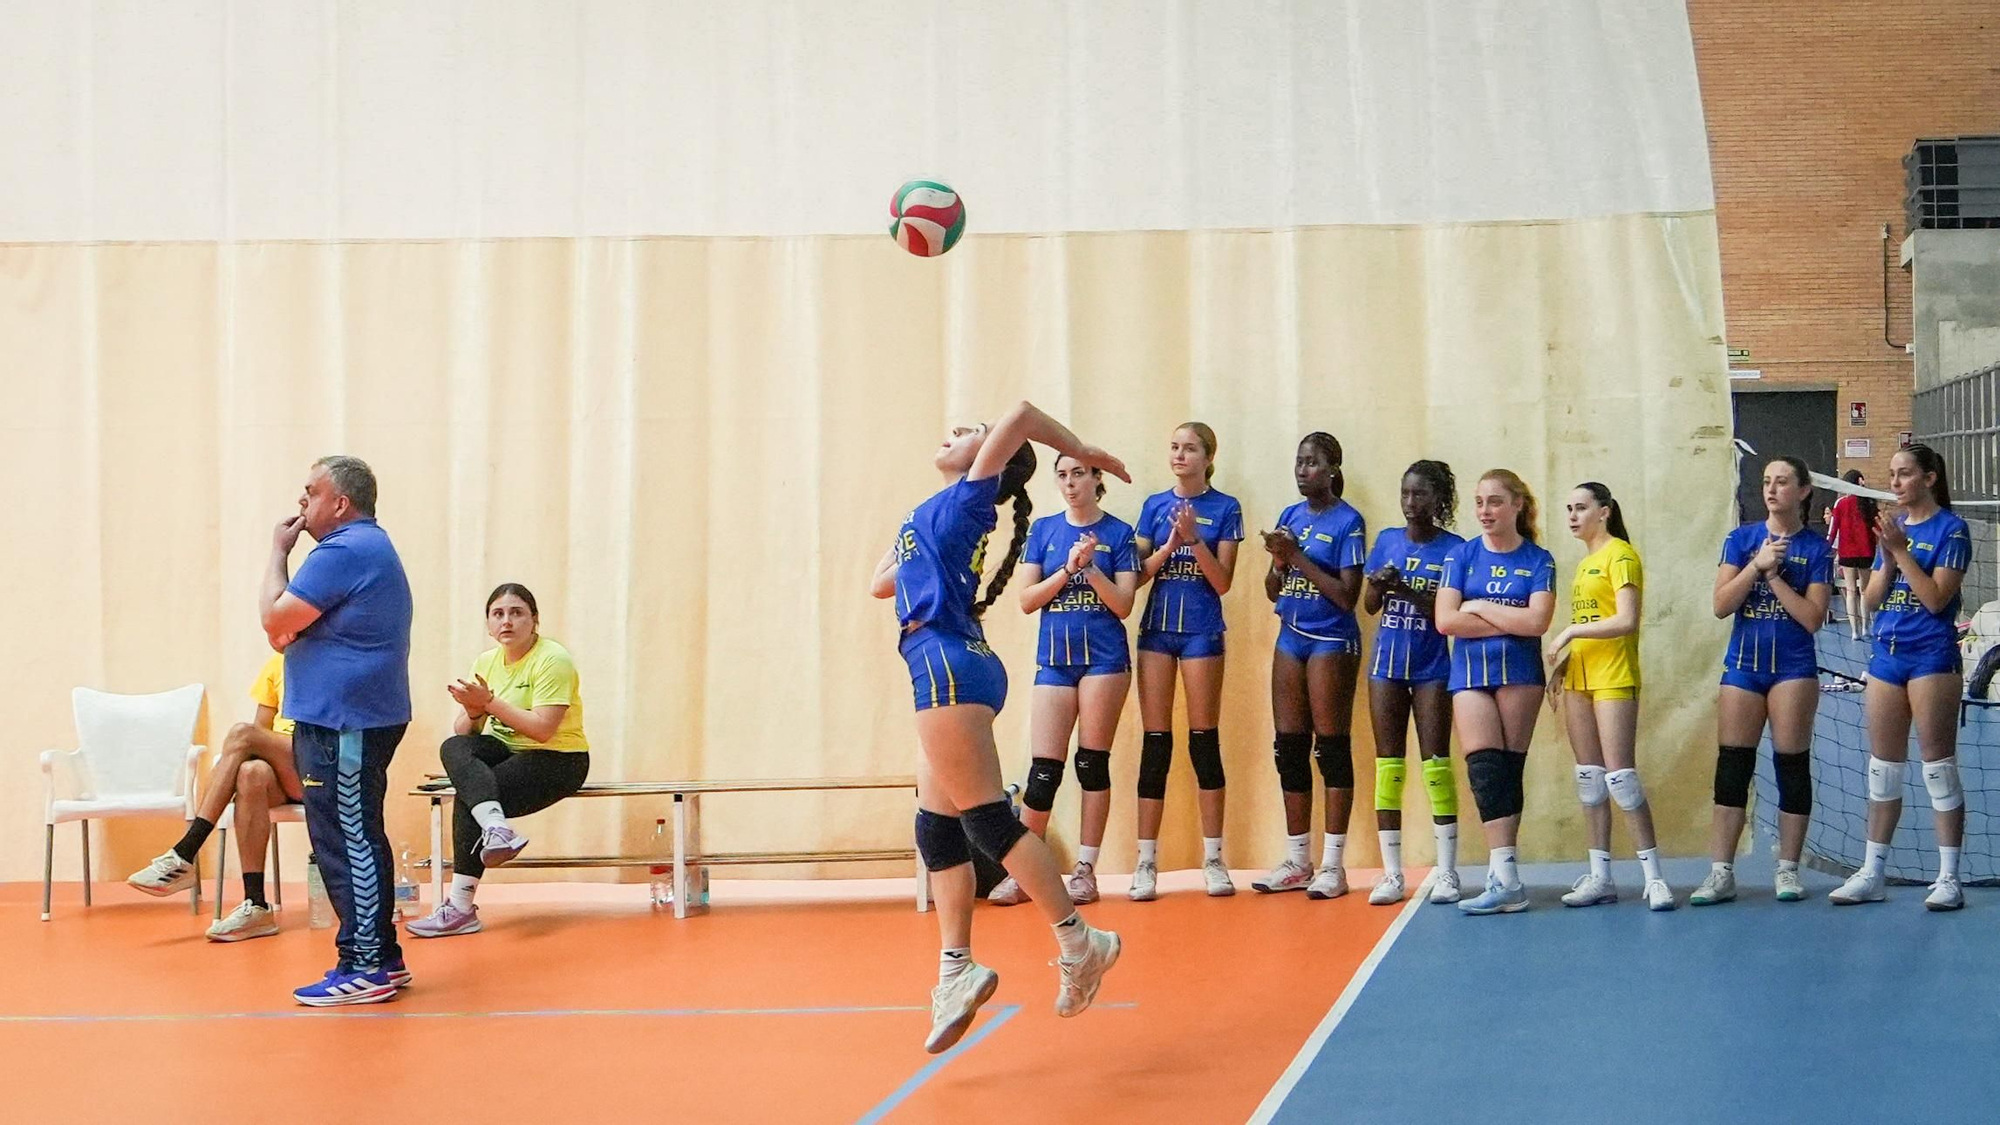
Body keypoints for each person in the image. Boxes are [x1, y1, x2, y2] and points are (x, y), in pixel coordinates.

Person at [868, 402, 1124, 1054]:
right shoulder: (938, 514)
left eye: (970, 432)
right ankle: (957, 968)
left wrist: (1085, 451)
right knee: (936, 822)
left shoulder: (968, 500)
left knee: (987, 820)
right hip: (961, 660)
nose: (952, 428)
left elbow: (1021, 413)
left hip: (947, 665)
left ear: (995, 463)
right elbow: (880, 584)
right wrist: (909, 540)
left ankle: (1078, 939)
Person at [259, 456, 415, 1005]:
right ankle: (382, 956)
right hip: (345, 716)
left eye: (311, 493)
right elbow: (287, 631)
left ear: (340, 503)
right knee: (349, 834)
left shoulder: (345, 550)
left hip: (346, 720)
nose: (303, 503)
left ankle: (366, 964)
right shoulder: (362, 550)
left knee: (349, 838)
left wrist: (279, 552)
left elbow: (276, 619)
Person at [988, 456, 1138, 908]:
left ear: (1097, 480)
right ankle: (1026, 872)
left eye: (1079, 474)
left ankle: (1086, 871)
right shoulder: (1044, 530)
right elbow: (1027, 600)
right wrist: (1069, 569)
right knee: (1044, 771)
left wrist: (1091, 570)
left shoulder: (1119, 534)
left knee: (1091, 763)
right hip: (1055, 661)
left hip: (1105, 661)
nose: (1070, 483)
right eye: (1063, 475)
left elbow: (1125, 605)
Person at [406, 584, 591, 938]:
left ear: (534, 621)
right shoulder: (486, 662)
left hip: (558, 758)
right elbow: (466, 731)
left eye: (517, 612)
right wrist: (474, 710)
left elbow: (542, 730)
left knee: (469, 793)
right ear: (489, 625)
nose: (507, 621)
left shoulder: (553, 659)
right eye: (498, 614)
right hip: (507, 749)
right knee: (455, 747)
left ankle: (460, 907)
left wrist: (489, 702)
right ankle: (496, 828)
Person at [1831, 444, 1972, 910]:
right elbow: (1870, 601)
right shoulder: (1893, 531)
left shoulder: (1952, 529)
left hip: (1931, 656)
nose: (1894, 483)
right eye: (1891, 474)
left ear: (1929, 478)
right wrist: (1888, 556)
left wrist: (1900, 551)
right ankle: (1873, 871)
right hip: (1886, 656)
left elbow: (1935, 599)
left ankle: (1948, 877)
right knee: (1882, 770)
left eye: (1904, 474)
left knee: (1937, 768)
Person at [1693, 456, 1831, 905]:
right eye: (1767, 482)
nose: (1772, 490)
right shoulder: (1742, 539)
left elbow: (1812, 618)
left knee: (1791, 765)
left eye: (1783, 482)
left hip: (1792, 668)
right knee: (1732, 766)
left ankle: (1788, 870)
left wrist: (1774, 577)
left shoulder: (1815, 549)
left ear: (1803, 490)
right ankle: (1721, 872)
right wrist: (1756, 566)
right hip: (1744, 668)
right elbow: (1720, 605)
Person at [1129, 423, 1244, 900]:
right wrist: (1170, 545)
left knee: (1203, 741)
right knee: (1156, 744)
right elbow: (1134, 577)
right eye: (1174, 446)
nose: (1180, 455)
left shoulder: (1225, 508)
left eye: (1190, 448)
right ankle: (1145, 862)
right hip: (1157, 631)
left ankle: (1214, 858)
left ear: (1207, 456)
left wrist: (1195, 540)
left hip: (1201, 630)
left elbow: (1222, 583)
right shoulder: (1154, 506)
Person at [1546, 483, 1674, 911]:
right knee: (1590, 778)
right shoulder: (1585, 564)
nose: (1573, 515)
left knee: (1622, 778)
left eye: (1581, 507)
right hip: (1580, 680)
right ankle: (1600, 875)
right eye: (1568, 509)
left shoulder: (1621, 555)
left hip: (1614, 677)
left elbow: (1625, 619)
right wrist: (1565, 664)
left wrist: (1570, 632)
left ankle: (1654, 878)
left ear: (1604, 511)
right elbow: (1591, 618)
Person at [1434, 470, 1556, 915]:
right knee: (1483, 770)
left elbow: (1537, 623)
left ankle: (1504, 875)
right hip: (1469, 673)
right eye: (1480, 502)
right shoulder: (1460, 556)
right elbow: (1446, 621)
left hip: (1520, 673)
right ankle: (1505, 877)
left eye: (1495, 502)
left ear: (1518, 505)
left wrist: (1481, 606)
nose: (1485, 511)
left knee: (1507, 771)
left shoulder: (1539, 559)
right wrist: (1511, 616)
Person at [1251, 434, 1367, 900]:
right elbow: (1272, 591)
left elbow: (1346, 597)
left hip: (1330, 641)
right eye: (1298, 462)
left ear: (1333, 467)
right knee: (1289, 749)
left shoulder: (1349, 521)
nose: (1303, 471)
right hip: (1291, 637)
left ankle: (1335, 866)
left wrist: (1296, 555)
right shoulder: (1290, 516)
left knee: (1331, 749)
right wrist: (1279, 562)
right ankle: (1299, 859)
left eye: (1313, 463)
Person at [126, 652, 303, 942]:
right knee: (251, 772)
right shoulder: (276, 665)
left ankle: (186, 851)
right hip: (283, 772)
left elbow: (255, 736)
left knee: (242, 733)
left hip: (315, 768)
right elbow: (262, 734)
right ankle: (256, 905)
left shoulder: (330, 661)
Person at [1360, 460, 1466, 905]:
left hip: (1431, 668)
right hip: (1386, 665)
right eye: (1405, 493)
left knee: (1436, 765)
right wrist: (1380, 585)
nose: (1409, 502)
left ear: (1439, 500)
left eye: (1419, 494)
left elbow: (1449, 618)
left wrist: (1403, 589)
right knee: (1389, 768)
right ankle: (1391, 873)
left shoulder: (1456, 549)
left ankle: (1447, 872)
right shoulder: (1386, 541)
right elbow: (1367, 605)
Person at [1827, 469, 1879, 641]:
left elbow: (1833, 529)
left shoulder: (1840, 504)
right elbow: (1877, 529)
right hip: (1867, 552)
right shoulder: (1870, 501)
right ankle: (1866, 627)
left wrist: (1827, 547)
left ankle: (1854, 631)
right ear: (1860, 481)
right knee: (1864, 591)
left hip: (1847, 553)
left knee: (1850, 591)